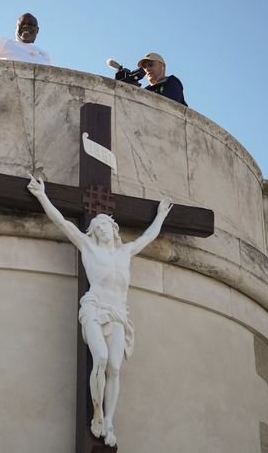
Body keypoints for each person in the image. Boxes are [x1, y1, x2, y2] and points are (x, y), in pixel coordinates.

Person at [26, 175, 173, 447]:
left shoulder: (125, 252)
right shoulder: (88, 246)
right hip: (94, 310)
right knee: (102, 359)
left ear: (114, 229)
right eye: (98, 226)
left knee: (115, 368)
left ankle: (109, 421)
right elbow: (62, 222)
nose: (103, 229)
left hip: (118, 314)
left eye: (106, 225)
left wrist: (161, 215)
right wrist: (41, 195)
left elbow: (148, 237)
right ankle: (97, 413)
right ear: (93, 232)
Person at [0, 0, 51, 65]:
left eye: (30, 24)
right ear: (16, 28)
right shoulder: (3, 43)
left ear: (37, 30)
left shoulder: (44, 55)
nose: (26, 26)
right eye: (23, 24)